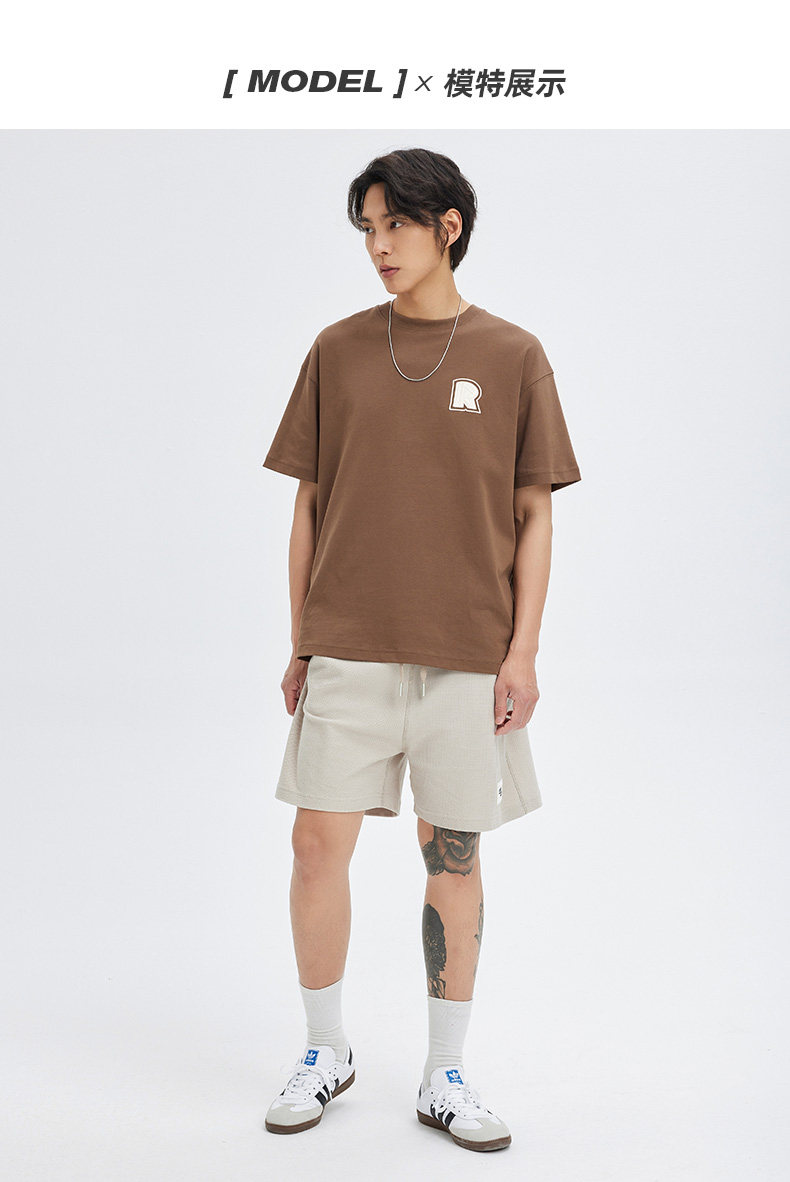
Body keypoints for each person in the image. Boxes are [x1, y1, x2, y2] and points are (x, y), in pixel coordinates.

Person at [260, 147, 582, 1152]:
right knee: (316, 846)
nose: (378, 246)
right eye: (367, 228)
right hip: (349, 647)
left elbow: (534, 513)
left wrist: (523, 652)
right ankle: (326, 1049)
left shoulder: (513, 355)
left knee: (453, 858)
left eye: (394, 224)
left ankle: (445, 1073)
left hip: (466, 656)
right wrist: (303, 641)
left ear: (448, 226)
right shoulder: (337, 350)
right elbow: (308, 505)